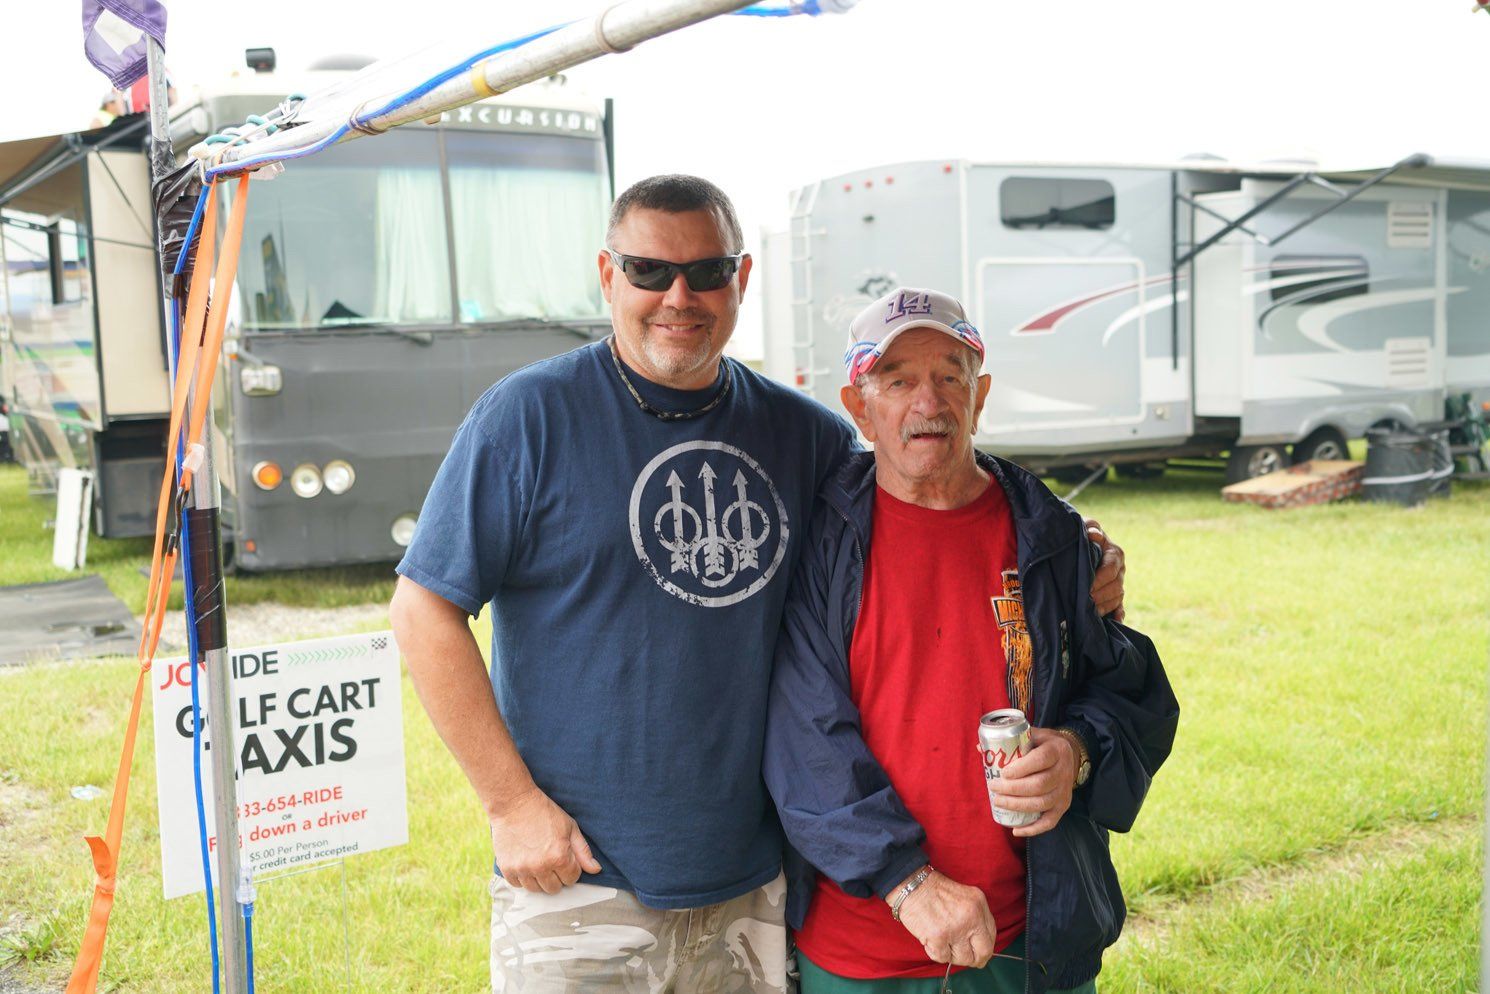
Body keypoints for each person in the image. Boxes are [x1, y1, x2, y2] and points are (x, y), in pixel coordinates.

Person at [388, 177, 1130, 993]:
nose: (679, 296)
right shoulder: (529, 417)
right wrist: (509, 805)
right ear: (607, 275)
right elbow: (423, 611)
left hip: (754, 883)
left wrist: (1077, 555)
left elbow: (928, 480)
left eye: (707, 272)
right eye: (649, 270)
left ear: (742, 279)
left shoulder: (804, 436)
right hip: (578, 876)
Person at [762, 287, 1179, 994]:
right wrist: (908, 882)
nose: (928, 403)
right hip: (861, 952)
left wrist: (1076, 753)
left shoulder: (1050, 535)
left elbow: (1129, 694)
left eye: (950, 377)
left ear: (979, 396)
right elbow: (804, 739)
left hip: (1027, 944)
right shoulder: (816, 542)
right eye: (898, 381)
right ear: (859, 407)